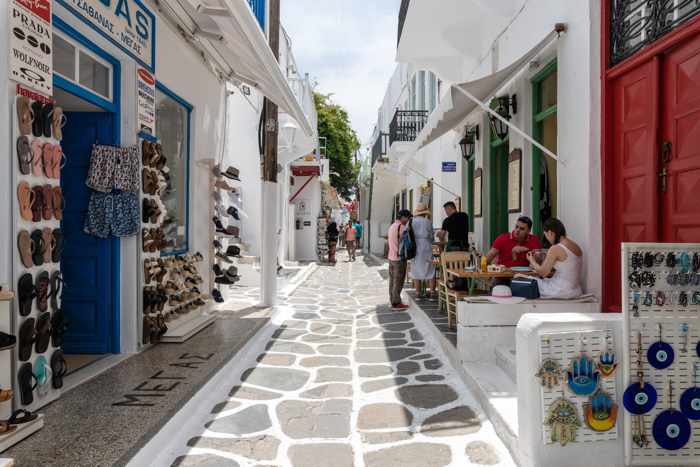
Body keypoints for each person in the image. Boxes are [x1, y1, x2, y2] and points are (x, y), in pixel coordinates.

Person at [526, 218, 583, 298]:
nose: (547, 239)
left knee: (522, 278)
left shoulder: (555, 248)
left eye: (545, 235)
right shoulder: (576, 246)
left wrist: (532, 260)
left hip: (560, 291)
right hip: (575, 290)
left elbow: (543, 273)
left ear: (550, 233)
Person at [410, 203, 436, 298]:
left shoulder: (412, 222)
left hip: (416, 246)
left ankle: (418, 292)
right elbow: (432, 237)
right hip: (426, 246)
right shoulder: (427, 222)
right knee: (430, 268)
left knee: (416, 268)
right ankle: (432, 292)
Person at [388, 209, 411, 310]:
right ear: (403, 217)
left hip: (391, 257)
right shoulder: (402, 227)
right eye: (408, 218)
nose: (408, 220)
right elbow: (407, 242)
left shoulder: (392, 226)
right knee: (398, 281)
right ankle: (396, 303)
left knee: (392, 281)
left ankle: (393, 300)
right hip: (399, 258)